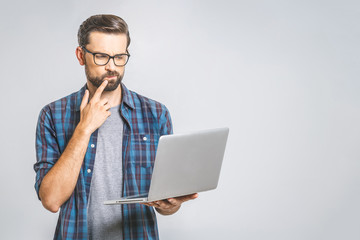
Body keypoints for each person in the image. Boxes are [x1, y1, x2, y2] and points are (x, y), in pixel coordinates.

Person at [34, 14, 197, 240]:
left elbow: (166, 203)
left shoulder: (156, 114)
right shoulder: (53, 115)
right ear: (81, 56)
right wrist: (83, 129)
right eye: (101, 56)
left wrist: (170, 205)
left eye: (119, 57)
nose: (112, 67)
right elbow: (51, 201)